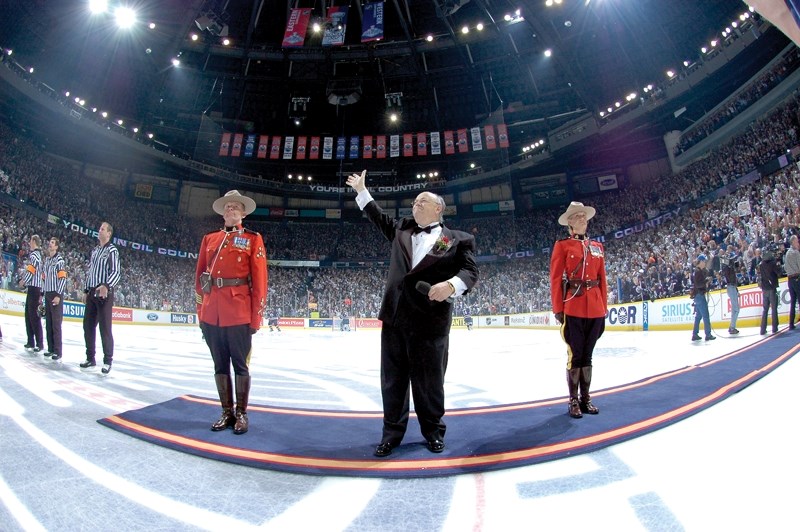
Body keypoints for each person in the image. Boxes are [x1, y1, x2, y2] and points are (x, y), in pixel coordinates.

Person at [347, 170, 478, 457]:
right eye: (415, 202)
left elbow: (470, 271)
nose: (415, 205)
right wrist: (361, 190)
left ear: (438, 208)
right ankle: (391, 433)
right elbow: (378, 217)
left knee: (429, 382)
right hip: (395, 318)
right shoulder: (402, 230)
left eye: (421, 201)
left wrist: (451, 285)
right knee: (392, 380)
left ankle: (433, 431)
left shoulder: (456, 239)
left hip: (431, 322)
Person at [195, 190, 267, 435]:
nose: (230, 210)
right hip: (211, 311)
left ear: (243, 213)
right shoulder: (209, 239)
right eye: (227, 207)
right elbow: (199, 278)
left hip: (238, 311)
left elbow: (259, 280)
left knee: (240, 365)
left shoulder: (252, 238)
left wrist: (255, 318)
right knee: (219, 364)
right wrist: (200, 312)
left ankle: (242, 413)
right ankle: (226, 412)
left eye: (235, 207)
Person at [550, 201, 608, 419]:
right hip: (572, 305)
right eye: (578, 216)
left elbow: (602, 279)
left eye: (584, 216)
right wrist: (558, 307)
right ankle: (573, 400)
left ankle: (586, 398)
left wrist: (604, 306)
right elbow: (556, 279)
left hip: (594, 307)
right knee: (575, 356)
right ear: (570, 223)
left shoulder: (597, 247)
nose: (583, 219)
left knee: (588, 355)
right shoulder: (562, 246)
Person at [80, 221, 121, 374]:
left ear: (109, 233)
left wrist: (106, 285)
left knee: (105, 328)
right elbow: (90, 272)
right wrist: (85, 290)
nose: (99, 230)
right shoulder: (95, 250)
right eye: (99, 228)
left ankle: (107, 360)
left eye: (102, 229)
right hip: (92, 293)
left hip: (104, 295)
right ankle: (90, 358)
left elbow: (116, 272)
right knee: (88, 326)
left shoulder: (112, 250)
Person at [42, 237, 67, 361]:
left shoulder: (60, 260)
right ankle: (51, 348)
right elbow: (44, 278)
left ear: (56, 247)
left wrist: (58, 295)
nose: (50, 244)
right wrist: (43, 293)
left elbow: (62, 278)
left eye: (52, 243)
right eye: (49, 242)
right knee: (49, 323)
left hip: (56, 294)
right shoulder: (47, 260)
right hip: (47, 293)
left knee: (56, 324)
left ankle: (58, 351)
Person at [20, 234, 44, 352]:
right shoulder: (37, 255)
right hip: (34, 288)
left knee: (33, 316)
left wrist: (24, 280)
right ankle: (31, 341)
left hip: (34, 288)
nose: (29, 243)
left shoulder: (35, 255)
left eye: (30, 241)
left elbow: (31, 270)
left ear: (34, 241)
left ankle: (38, 343)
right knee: (29, 315)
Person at [690, 254, 715, 342]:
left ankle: (695, 334)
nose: (705, 263)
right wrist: (706, 281)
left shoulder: (698, 271)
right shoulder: (697, 271)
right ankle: (708, 334)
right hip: (699, 295)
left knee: (698, 316)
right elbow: (698, 284)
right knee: (705, 315)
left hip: (698, 295)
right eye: (704, 261)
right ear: (700, 261)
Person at [759, 245, 780, 335]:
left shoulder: (761, 264)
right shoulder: (772, 263)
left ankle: (763, 329)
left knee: (765, 309)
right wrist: (778, 264)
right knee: (774, 308)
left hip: (764, 288)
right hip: (771, 288)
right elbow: (779, 272)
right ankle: (774, 327)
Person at [720, 244, 740, 335]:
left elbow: (736, 266)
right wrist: (733, 257)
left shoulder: (729, 268)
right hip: (731, 287)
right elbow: (729, 262)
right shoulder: (726, 268)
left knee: (735, 308)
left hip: (733, 287)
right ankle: (732, 327)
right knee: (735, 309)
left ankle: (732, 326)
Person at [784, 234, 800, 330]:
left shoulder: (787, 253)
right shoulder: (796, 253)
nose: (798, 242)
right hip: (797, 278)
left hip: (790, 279)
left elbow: (785, 267)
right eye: (797, 241)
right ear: (793, 242)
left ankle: (791, 324)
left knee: (793, 302)